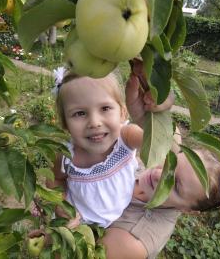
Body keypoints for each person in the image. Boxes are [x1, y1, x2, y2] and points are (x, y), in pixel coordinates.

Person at [47, 67, 174, 228]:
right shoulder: (65, 155)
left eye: (105, 108)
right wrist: (61, 204)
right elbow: (55, 179)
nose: (94, 122)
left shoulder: (126, 137)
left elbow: (161, 141)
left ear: (123, 113)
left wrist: (160, 108)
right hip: (78, 225)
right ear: (65, 124)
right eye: (79, 113)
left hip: (120, 218)